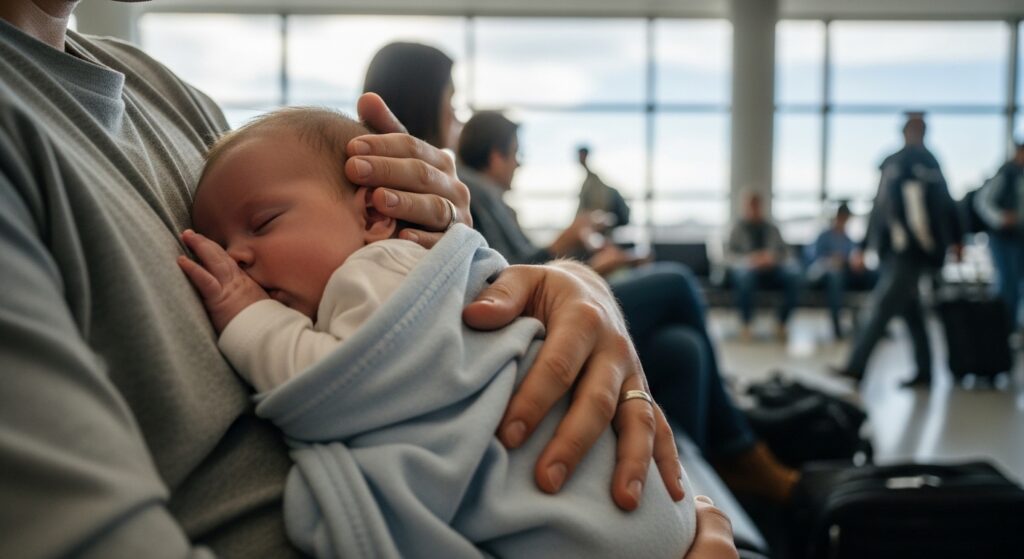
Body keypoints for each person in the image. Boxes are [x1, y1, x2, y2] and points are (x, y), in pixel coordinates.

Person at [0, 5, 690, 556]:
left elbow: (436, 315)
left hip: (557, 493)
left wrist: (559, 288)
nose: (234, 257)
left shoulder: (169, 98)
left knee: (680, 352)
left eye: (261, 225)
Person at [177, 107, 697, 558]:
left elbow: (329, 383)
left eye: (263, 223)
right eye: (219, 247)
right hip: (629, 513)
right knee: (682, 348)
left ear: (377, 215)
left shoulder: (379, 266)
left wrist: (244, 311)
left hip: (593, 520)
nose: (236, 258)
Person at [453, 110, 800, 504]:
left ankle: (700, 476)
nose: (519, 163)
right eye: (515, 153)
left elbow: (519, 266)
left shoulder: (486, 197)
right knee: (677, 284)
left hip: (550, 298)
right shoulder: (475, 193)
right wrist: (566, 246)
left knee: (683, 348)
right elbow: (516, 275)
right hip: (544, 313)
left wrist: (586, 261)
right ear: (495, 156)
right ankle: (740, 449)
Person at [839, 113, 962, 388]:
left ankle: (855, 368)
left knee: (881, 308)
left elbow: (945, 205)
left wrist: (957, 239)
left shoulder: (929, 164)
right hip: (894, 251)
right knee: (911, 312)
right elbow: (879, 209)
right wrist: (862, 246)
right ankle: (925, 372)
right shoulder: (894, 164)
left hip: (914, 252)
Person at [725, 190, 802, 341]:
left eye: (757, 205)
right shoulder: (737, 229)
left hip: (772, 270)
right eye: (751, 206)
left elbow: (787, 254)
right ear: (746, 207)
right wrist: (750, 260)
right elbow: (727, 256)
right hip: (748, 270)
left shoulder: (772, 229)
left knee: (795, 276)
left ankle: (781, 323)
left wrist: (773, 258)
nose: (754, 209)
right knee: (744, 276)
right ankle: (746, 324)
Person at [806, 202, 877, 339]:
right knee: (835, 276)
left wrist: (857, 263)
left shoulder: (848, 240)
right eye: (842, 217)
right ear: (837, 217)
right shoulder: (824, 237)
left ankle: (874, 324)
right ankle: (837, 327)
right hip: (824, 275)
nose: (843, 221)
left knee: (875, 274)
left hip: (846, 273)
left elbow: (852, 259)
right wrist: (832, 260)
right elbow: (813, 259)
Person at [975, 140, 1024, 331]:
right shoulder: (1006, 174)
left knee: (1016, 285)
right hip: (1004, 238)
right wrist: (1001, 218)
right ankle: (1002, 329)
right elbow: (983, 202)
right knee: (1006, 284)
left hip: (1019, 238)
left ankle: (1010, 327)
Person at [577, 144, 631, 230]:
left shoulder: (594, 183)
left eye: (581, 155)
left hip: (606, 221)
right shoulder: (590, 181)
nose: (580, 158)